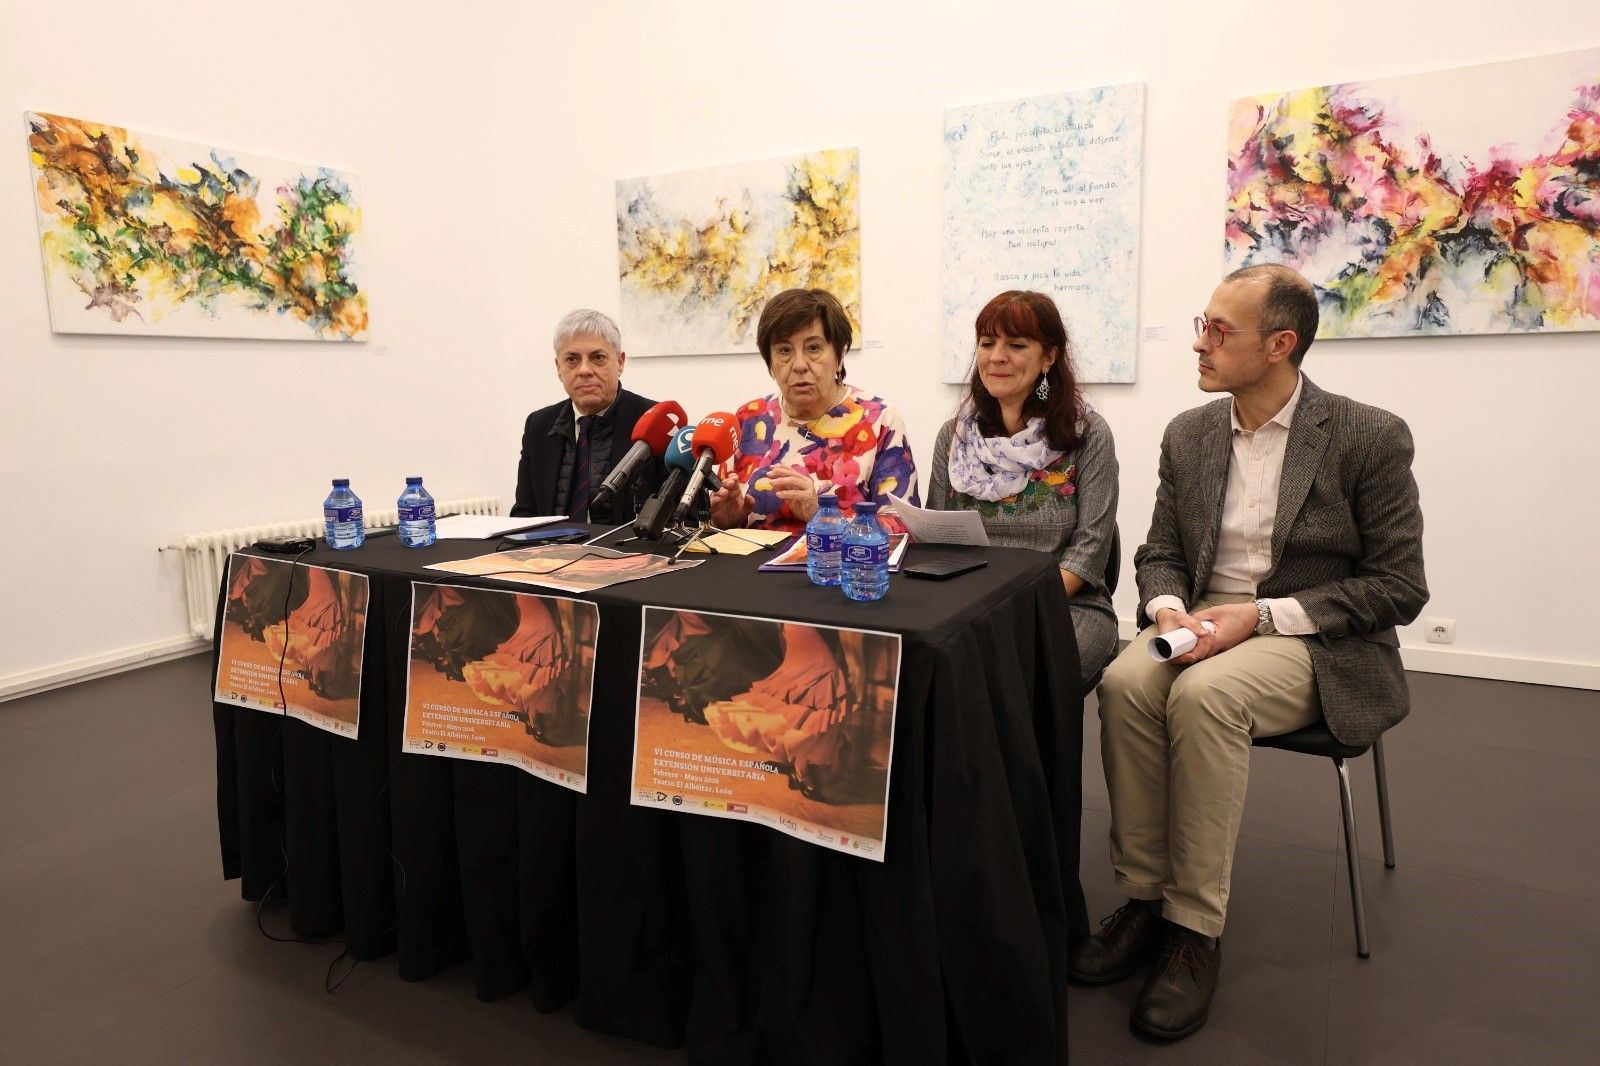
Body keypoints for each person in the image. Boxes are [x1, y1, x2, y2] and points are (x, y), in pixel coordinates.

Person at [1070, 264, 1427, 1040]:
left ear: (1279, 345)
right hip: (1200, 621)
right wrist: (1169, 610)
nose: (1199, 344)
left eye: (1218, 330)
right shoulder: (1189, 434)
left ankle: (1192, 929)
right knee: (1126, 682)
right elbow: (1161, 551)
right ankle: (1143, 897)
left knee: (1208, 697)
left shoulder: (1367, 436)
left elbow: (1399, 587)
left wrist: (1258, 616)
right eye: (1201, 325)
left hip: (1310, 636)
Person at [926, 291, 1119, 680]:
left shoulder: (1087, 434)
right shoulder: (954, 438)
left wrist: (1008, 610)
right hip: (967, 607)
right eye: (987, 343)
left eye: (1016, 345)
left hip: (1064, 606)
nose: (997, 356)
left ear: (1048, 357)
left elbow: (1090, 550)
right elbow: (936, 537)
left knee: (1018, 675)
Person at [709, 289, 918, 534]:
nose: (799, 365)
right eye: (784, 350)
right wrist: (726, 521)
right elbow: (720, 527)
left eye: (814, 348)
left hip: (839, 559)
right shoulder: (749, 419)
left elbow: (902, 528)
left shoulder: (880, 419)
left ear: (839, 356)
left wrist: (823, 515)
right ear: (770, 363)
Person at [512, 309, 665, 524]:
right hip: (551, 546)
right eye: (572, 359)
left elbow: (680, 521)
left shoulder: (656, 422)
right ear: (558, 368)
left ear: (620, 362)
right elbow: (523, 515)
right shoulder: (538, 425)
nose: (584, 370)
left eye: (598, 358)